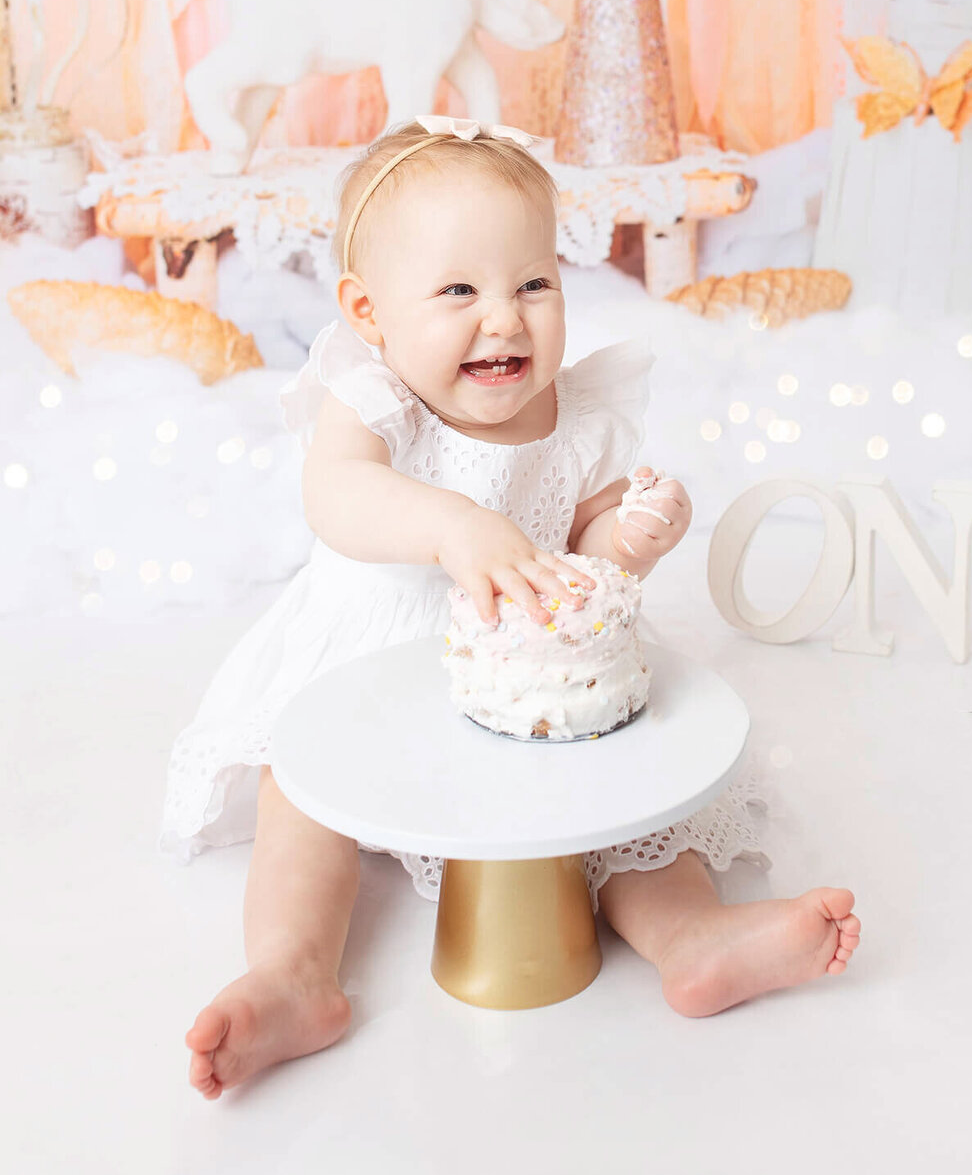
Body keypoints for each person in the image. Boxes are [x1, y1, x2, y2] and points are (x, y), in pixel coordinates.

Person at [160, 115, 860, 1101]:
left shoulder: (578, 410)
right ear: (368, 310)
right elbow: (337, 498)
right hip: (368, 670)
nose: (505, 319)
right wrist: (450, 524)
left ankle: (691, 936)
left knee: (619, 808)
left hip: (529, 681)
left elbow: (584, 555)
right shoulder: (370, 394)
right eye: (458, 291)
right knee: (303, 798)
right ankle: (294, 974)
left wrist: (633, 535)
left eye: (534, 284)